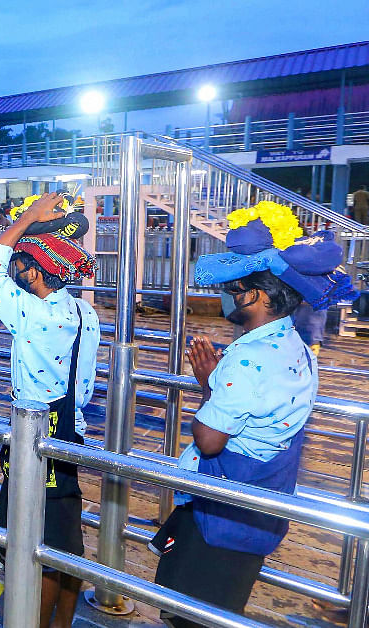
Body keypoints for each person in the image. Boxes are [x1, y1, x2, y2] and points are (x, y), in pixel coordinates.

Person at [152, 202, 355, 628]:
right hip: (257, 508)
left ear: (257, 297)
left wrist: (210, 393)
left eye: (234, 287)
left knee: (190, 615)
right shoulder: (296, 347)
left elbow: (210, 439)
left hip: (223, 510)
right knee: (220, 611)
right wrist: (213, 383)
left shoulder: (249, 357)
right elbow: (256, 412)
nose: (225, 295)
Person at [0, 191, 100, 628]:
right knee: (64, 535)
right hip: (71, 426)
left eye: (21, 265)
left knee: (35, 542)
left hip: (35, 434)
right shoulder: (84, 312)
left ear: (36, 270)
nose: (15, 271)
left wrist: (26, 219)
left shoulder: (30, 313)